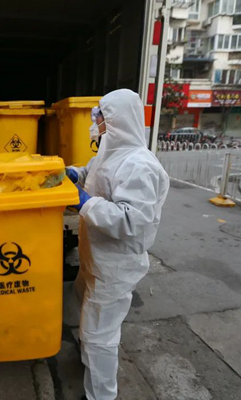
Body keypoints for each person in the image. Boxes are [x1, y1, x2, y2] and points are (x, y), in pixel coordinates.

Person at [66, 89, 169, 400]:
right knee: (83, 300)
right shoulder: (110, 152)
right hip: (96, 257)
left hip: (115, 265)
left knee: (100, 335)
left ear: (116, 120)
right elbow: (94, 173)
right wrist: (74, 174)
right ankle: (88, 357)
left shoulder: (140, 166)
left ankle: (101, 394)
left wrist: (83, 202)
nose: (94, 123)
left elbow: (130, 220)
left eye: (98, 117)